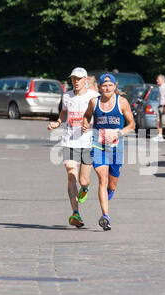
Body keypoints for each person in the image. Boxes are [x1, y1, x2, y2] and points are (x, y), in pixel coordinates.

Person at [82, 73, 135, 231]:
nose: (107, 88)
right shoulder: (94, 102)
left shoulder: (122, 102)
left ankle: (108, 196)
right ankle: (105, 216)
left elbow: (132, 125)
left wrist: (117, 133)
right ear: (99, 88)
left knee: (112, 184)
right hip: (98, 146)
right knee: (102, 180)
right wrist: (85, 124)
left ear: (115, 87)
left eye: (110, 85)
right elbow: (86, 115)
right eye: (104, 86)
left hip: (116, 148)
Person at [48, 67, 100, 228]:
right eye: (73, 79)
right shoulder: (67, 96)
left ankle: (85, 188)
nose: (76, 82)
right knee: (72, 175)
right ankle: (75, 213)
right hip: (69, 141)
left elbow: (99, 117)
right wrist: (58, 122)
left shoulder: (94, 96)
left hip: (87, 141)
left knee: (83, 180)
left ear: (85, 80)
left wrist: (89, 123)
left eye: (79, 78)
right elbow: (64, 113)